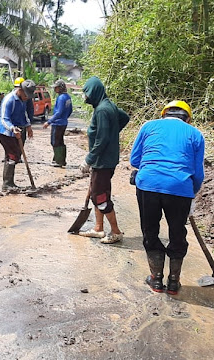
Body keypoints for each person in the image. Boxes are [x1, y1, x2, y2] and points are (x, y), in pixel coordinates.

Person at [130, 100, 205, 295]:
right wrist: (191, 195)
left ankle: (156, 280)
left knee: (150, 230)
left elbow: (134, 160)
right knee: (177, 233)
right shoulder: (195, 134)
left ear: (164, 114)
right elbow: (198, 174)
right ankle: (173, 282)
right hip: (180, 189)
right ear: (187, 118)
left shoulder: (148, 126)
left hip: (148, 185)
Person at [78, 76, 129, 244]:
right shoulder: (108, 105)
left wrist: (89, 159)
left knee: (100, 197)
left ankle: (115, 232)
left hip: (102, 161)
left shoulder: (102, 110)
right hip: (107, 159)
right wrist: (114, 130)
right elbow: (125, 118)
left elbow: (102, 139)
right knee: (97, 192)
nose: (85, 97)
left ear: (94, 92)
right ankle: (98, 228)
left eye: (86, 93)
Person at [0, 79, 36, 190]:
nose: (27, 97)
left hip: (16, 130)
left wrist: (28, 126)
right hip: (5, 132)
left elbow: (24, 114)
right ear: (20, 90)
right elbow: (4, 119)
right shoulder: (9, 100)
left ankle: (10, 182)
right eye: (26, 95)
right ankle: (7, 184)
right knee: (12, 155)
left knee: (16, 155)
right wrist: (13, 129)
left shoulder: (23, 100)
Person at [43, 79, 73, 167]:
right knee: (60, 141)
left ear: (60, 88)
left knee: (55, 142)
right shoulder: (68, 97)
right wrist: (65, 118)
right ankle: (61, 160)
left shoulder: (61, 98)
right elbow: (70, 110)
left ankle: (58, 161)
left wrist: (49, 122)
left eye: (56, 88)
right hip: (63, 122)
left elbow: (58, 112)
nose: (55, 89)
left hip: (57, 123)